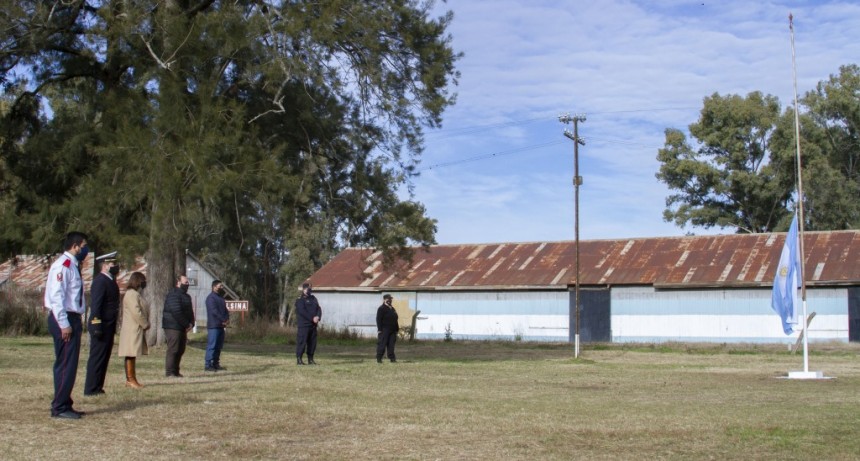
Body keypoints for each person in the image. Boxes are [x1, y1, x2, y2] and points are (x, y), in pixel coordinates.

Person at [44, 231, 89, 419]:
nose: (85, 249)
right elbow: (57, 296)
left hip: (72, 318)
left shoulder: (73, 266)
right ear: (75, 246)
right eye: (83, 245)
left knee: (69, 364)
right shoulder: (63, 265)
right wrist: (64, 323)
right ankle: (59, 407)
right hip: (64, 318)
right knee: (65, 364)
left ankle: (65, 401)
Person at [84, 251, 120, 396]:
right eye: (113, 264)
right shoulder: (100, 281)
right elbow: (96, 306)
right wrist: (96, 324)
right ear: (105, 266)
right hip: (101, 326)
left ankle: (98, 386)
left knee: (104, 357)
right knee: (97, 357)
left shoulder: (110, 281)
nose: (116, 266)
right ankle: (91, 388)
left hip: (109, 326)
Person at [117, 272, 149, 389]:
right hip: (132, 329)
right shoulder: (131, 294)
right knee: (130, 354)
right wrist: (145, 324)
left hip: (134, 328)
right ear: (138, 281)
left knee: (132, 354)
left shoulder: (135, 294)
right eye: (143, 281)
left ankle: (132, 378)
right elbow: (136, 311)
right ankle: (130, 379)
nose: (144, 283)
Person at [163, 274, 195, 377]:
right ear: (178, 283)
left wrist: (192, 323)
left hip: (182, 326)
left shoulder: (187, 296)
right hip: (172, 326)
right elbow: (176, 311)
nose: (187, 284)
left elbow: (190, 312)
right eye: (185, 282)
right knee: (173, 349)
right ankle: (169, 372)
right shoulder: (173, 295)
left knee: (181, 349)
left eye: (188, 282)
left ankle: (176, 371)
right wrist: (186, 324)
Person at [294, 282, 322, 365]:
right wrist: (312, 318)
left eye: (311, 288)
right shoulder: (300, 299)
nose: (310, 290)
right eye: (308, 288)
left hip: (313, 325)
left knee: (312, 343)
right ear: (304, 289)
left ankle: (310, 359)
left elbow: (319, 308)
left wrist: (318, 317)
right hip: (304, 325)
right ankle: (299, 359)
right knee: (302, 342)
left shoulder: (313, 298)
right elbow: (302, 312)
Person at [204, 279, 229, 372]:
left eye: (222, 286)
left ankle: (216, 363)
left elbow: (225, 310)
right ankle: (208, 364)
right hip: (214, 325)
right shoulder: (210, 298)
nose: (222, 288)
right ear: (214, 287)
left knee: (218, 346)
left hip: (221, 326)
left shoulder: (221, 298)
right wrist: (223, 319)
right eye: (220, 286)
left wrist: (226, 319)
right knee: (212, 345)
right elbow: (214, 311)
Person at [376, 294, 399, 363]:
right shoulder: (381, 308)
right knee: (382, 344)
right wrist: (379, 329)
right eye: (388, 299)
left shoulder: (392, 308)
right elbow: (378, 319)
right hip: (384, 329)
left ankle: (392, 358)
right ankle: (379, 358)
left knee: (391, 345)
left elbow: (395, 319)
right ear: (384, 300)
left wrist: (397, 329)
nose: (390, 300)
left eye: (391, 299)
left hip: (393, 330)